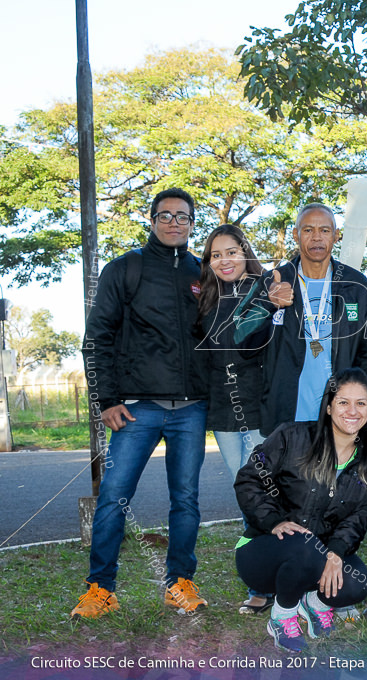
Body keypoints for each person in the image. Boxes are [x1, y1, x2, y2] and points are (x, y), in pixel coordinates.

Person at [73, 188, 210, 619]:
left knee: (185, 500)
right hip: (137, 408)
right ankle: (100, 589)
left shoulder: (203, 274)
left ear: (192, 223)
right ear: (152, 220)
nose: (174, 223)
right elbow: (96, 339)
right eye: (165, 215)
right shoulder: (125, 268)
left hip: (191, 409)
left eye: (183, 217)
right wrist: (106, 400)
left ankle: (180, 584)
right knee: (114, 496)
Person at [234, 368, 367, 653]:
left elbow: (357, 518)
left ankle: (313, 603)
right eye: (343, 402)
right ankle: (282, 615)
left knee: (356, 584)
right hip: (264, 552)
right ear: (328, 406)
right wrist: (273, 520)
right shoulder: (292, 436)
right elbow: (249, 479)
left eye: (361, 403)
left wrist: (337, 552)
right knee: (304, 546)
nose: (352, 411)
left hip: (316, 555)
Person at [194, 224, 286, 615]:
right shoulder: (205, 298)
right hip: (224, 412)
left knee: (273, 492)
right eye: (216, 255)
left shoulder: (268, 287)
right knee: (247, 496)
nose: (224, 260)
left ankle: (285, 579)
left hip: (261, 408)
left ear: (244, 252)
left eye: (231, 252)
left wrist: (272, 299)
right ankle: (260, 580)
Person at [253, 203, 367, 436]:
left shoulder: (356, 285)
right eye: (308, 230)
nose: (317, 237)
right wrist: (267, 304)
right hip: (286, 416)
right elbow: (245, 341)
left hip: (341, 417)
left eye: (325, 230)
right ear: (295, 235)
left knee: (337, 473)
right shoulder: (274, 281)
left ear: (336, 235)